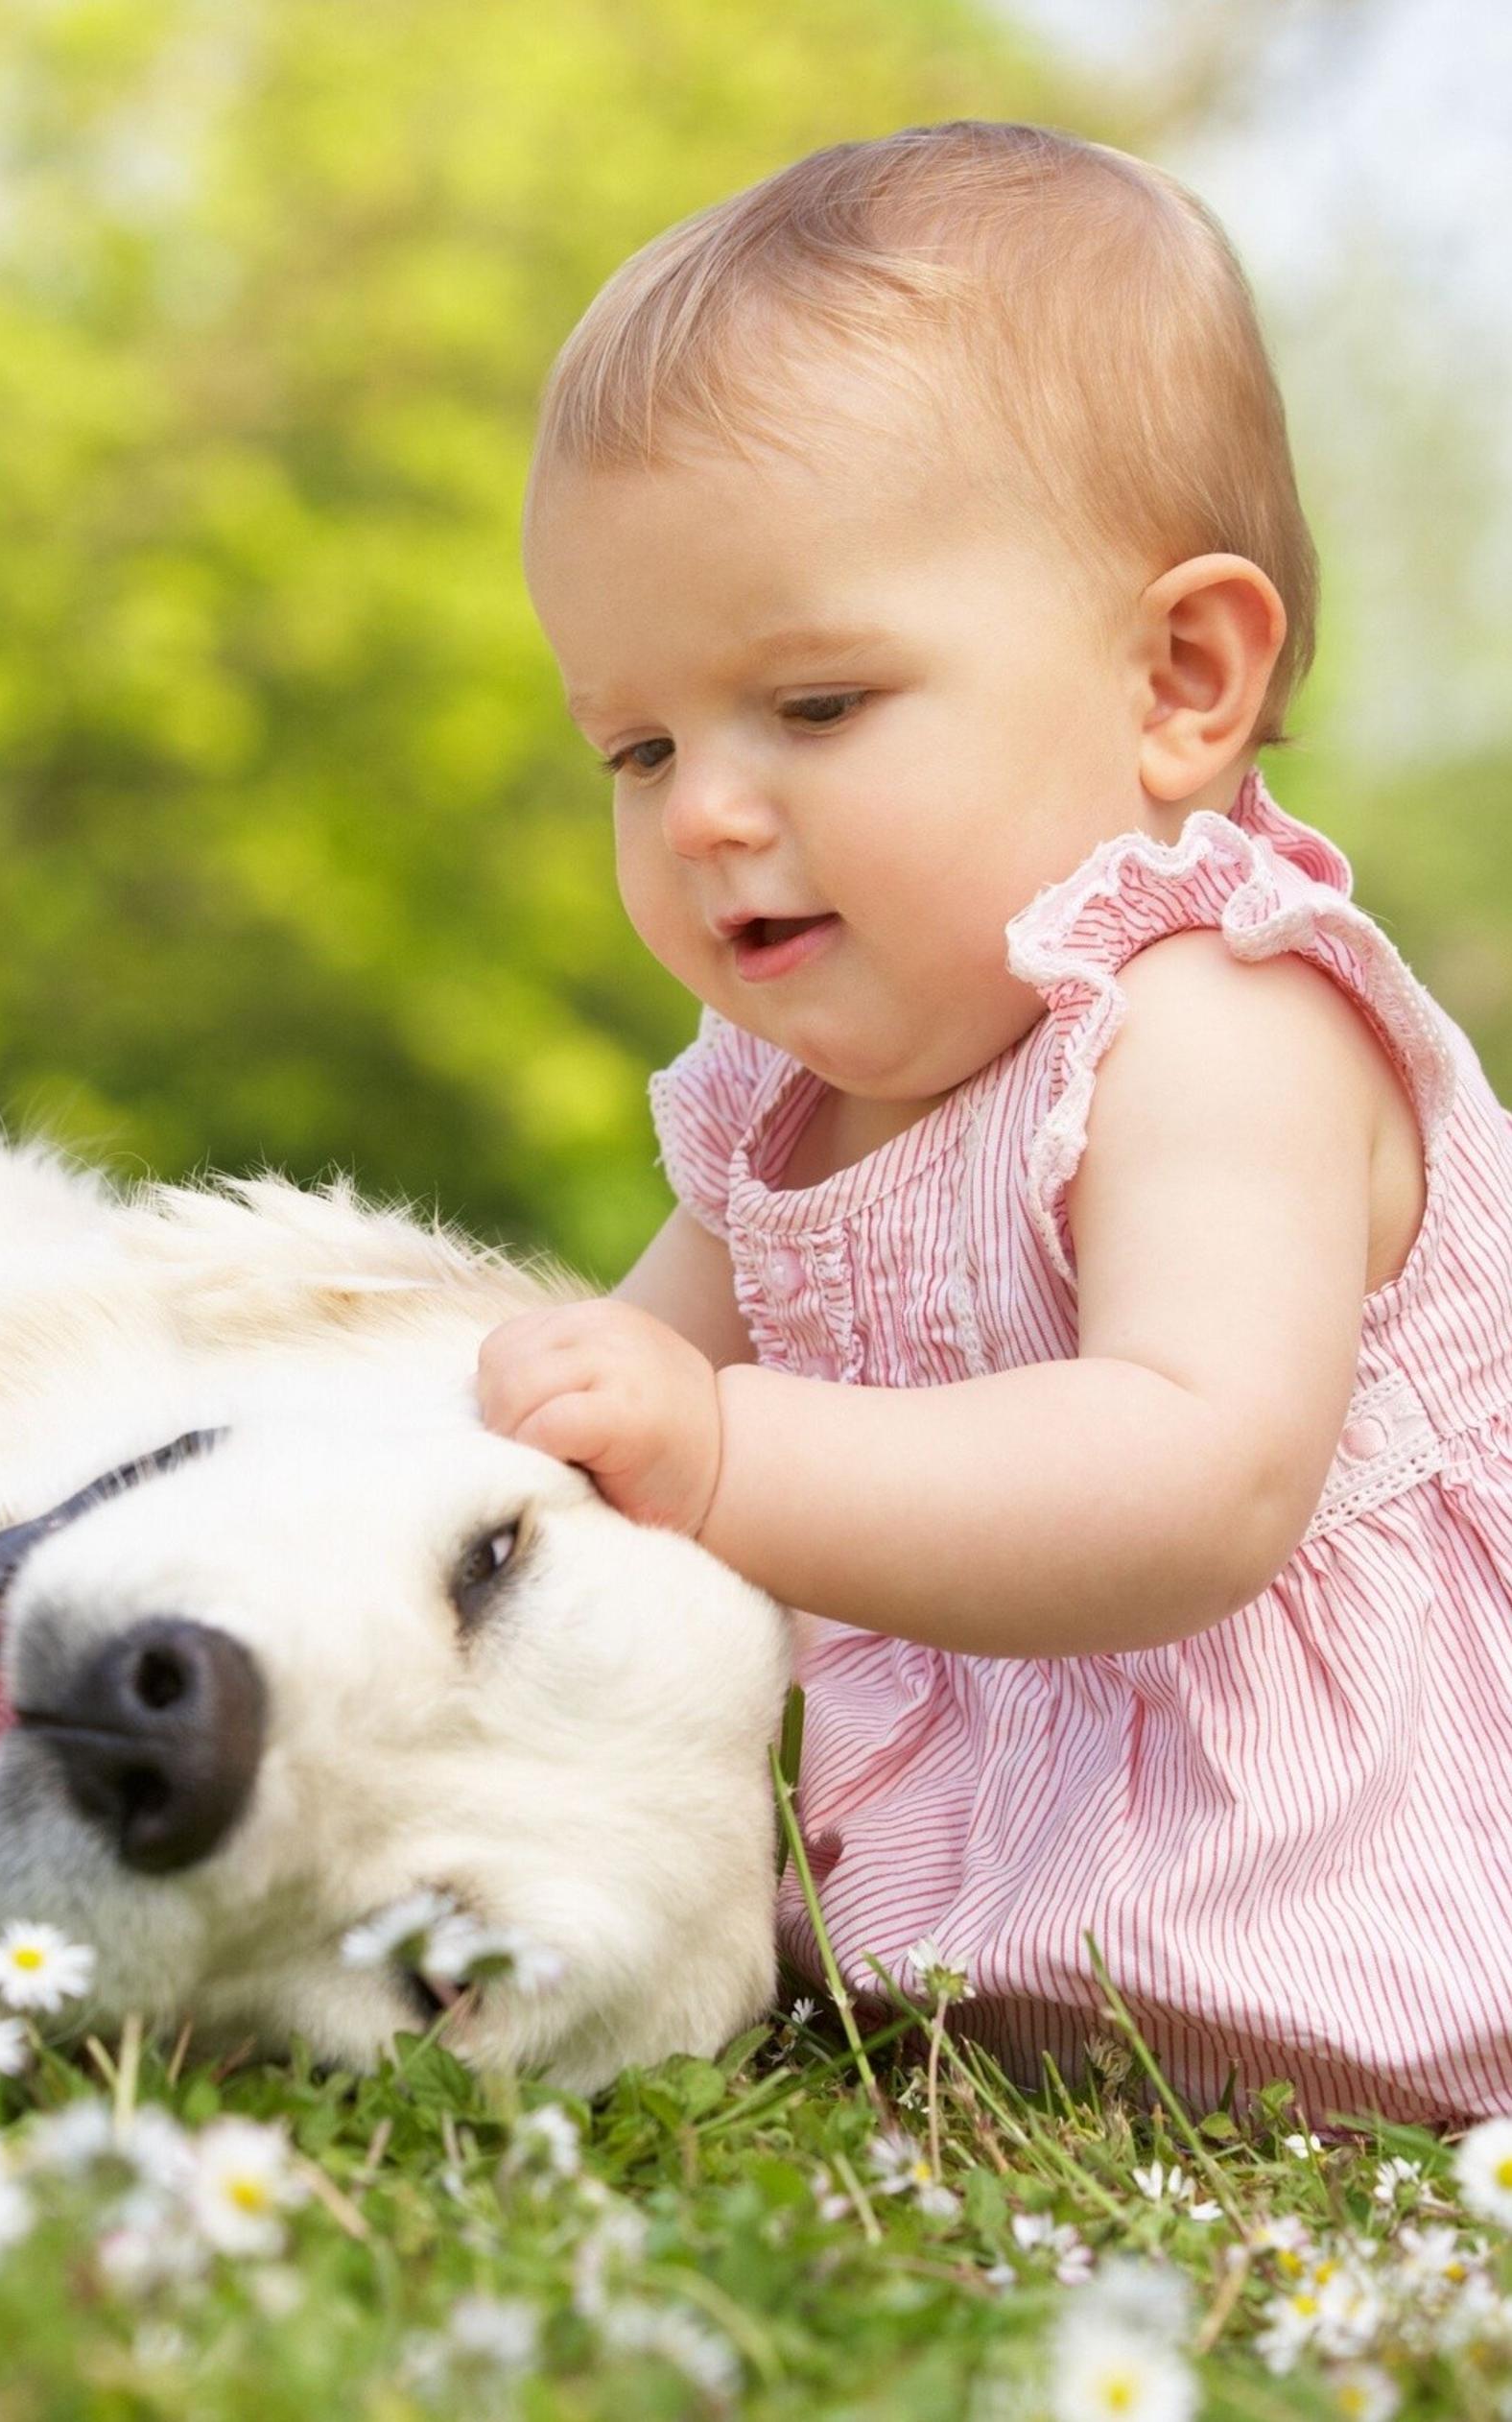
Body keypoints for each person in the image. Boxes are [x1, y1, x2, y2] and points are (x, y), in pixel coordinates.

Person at [476, 119, 1512, 2125]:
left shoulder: (1219, 1017)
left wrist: (719, 1448)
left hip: (1358, 1862)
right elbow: (603, 1400)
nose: (699, 807)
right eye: (635, 740)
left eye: (816, 703)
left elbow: (1189, 1479)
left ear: (1177, 679)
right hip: (1018, 1951)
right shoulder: (784, 1108)